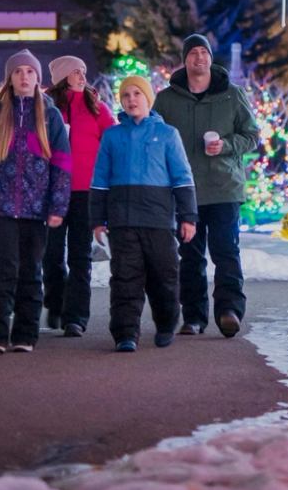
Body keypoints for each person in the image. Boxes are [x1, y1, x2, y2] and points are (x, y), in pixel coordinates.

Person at [153, 33, 258, 337]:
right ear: (184, 60)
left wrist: (225, 145)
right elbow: (154, 138)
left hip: (224, 187)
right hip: (184, 191)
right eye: (193, 53)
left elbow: (252, 135)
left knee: (226, 252)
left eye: (204, 53)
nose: (199, 58)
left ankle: (229, 311)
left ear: (211, 58)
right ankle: (194, 317)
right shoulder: (167, 99)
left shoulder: (232, 94)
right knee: (190, 257)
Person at [0, 50, 72, 354]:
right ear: (10, 79)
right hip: (2, 206)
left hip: (37, 208)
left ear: (38, 78)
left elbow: (62, 165)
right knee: (5, 267)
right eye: (18, 72)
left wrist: (57, 206)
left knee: (30, 269)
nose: (24, 76)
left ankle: (25, 333)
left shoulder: (50, 116)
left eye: (30, 71)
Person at [91, 74, 197, 351]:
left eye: (137, 94)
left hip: (158, 219)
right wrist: (97, 220)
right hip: (122, 219)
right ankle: (126, 333)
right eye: (126, 95)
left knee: (164, 276)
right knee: (125, 278)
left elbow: (183, 178)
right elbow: (100, 180)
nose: (131, 100)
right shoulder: (112, 136)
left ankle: (165, 324)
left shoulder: (167, 135)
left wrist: (188, 217)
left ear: (148, 98)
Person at [43, 54, 115, 337]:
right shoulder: (47, 108)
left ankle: (76, 317)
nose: (82, 76)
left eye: (83, 71)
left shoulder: (96, 107)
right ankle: (57, 304)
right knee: (50, 255)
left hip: (87, 192)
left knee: (80, 256)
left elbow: (112, 144)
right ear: (62, 77)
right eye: (75, 71)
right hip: (53, 193)